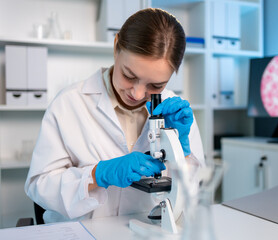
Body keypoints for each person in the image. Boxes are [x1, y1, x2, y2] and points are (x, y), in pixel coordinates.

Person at [25, 8, 204, 223]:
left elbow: (194, 194)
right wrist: (97, 175)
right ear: (116, 46)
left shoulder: (176, 112)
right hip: (81, 232)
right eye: (129, 76)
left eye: (156, 85)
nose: (137, 94)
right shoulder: (69, 103)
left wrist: (182, 152)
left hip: (149, 231)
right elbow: (39, 186)